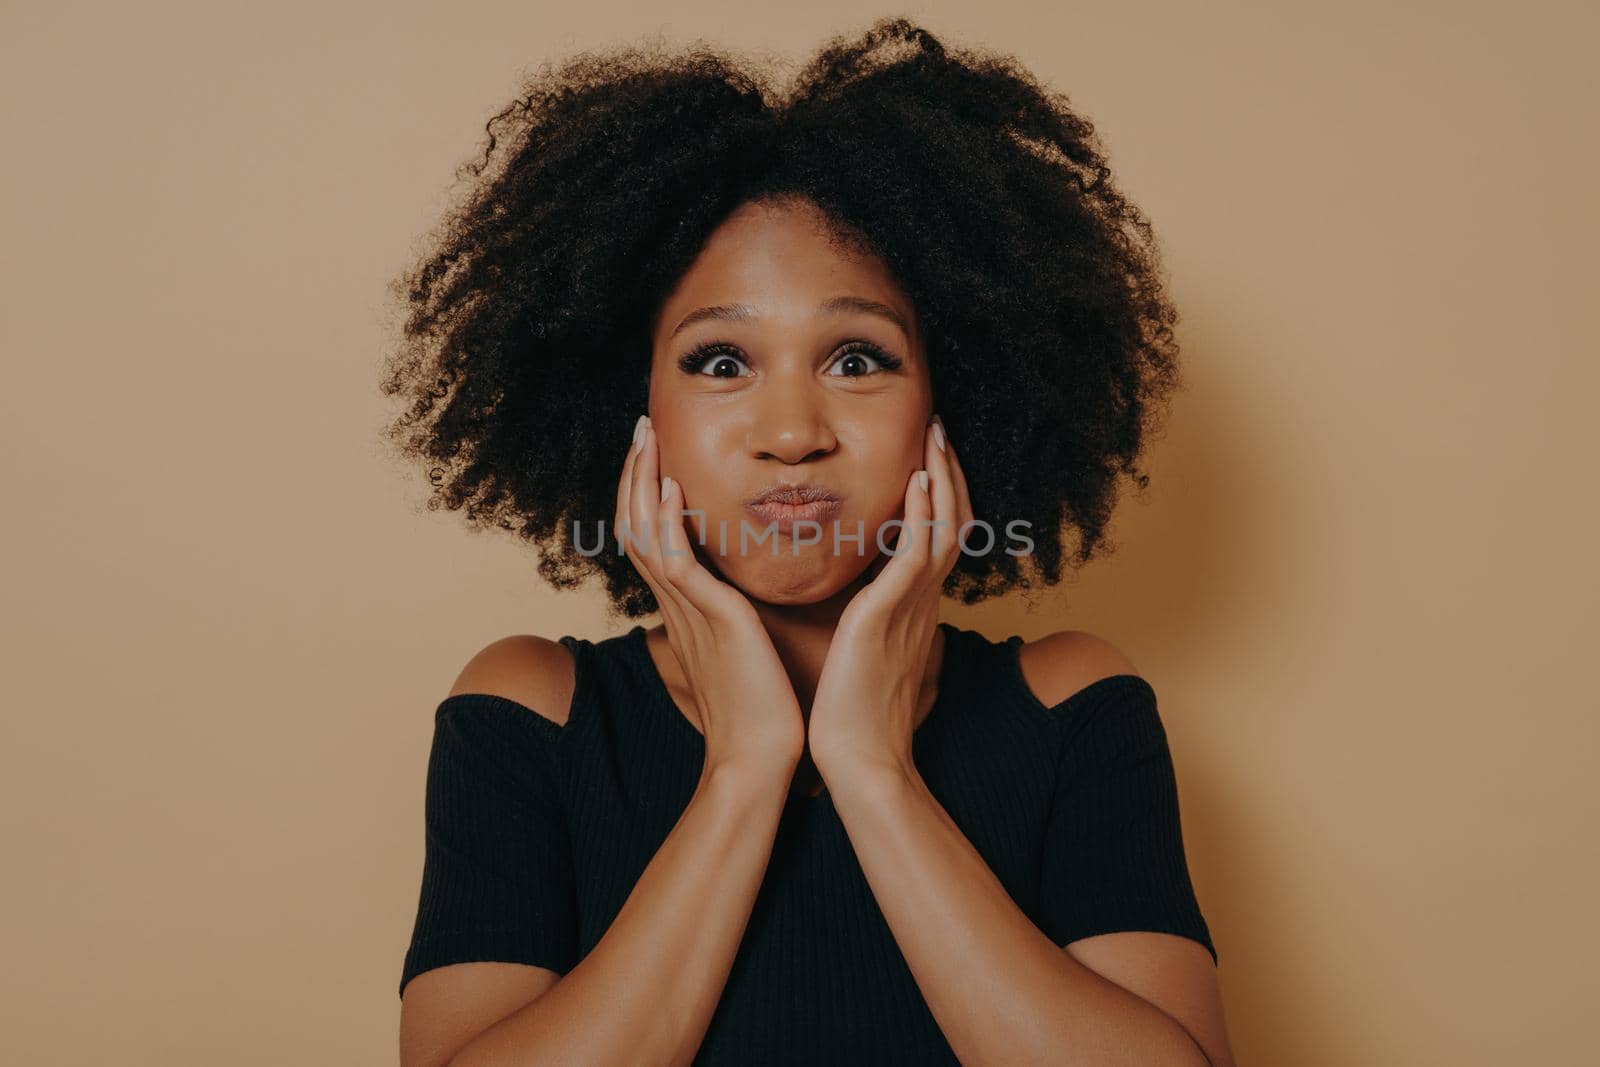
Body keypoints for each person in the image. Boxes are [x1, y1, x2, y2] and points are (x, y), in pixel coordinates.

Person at [384, 17, 1235, 1066]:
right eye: (719, 362)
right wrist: (745, 766)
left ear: (952, 400)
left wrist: (871, 769)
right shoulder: (535, 716)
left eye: (857, 358)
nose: (791, 434)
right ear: (627, 406)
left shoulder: (1068, 707)